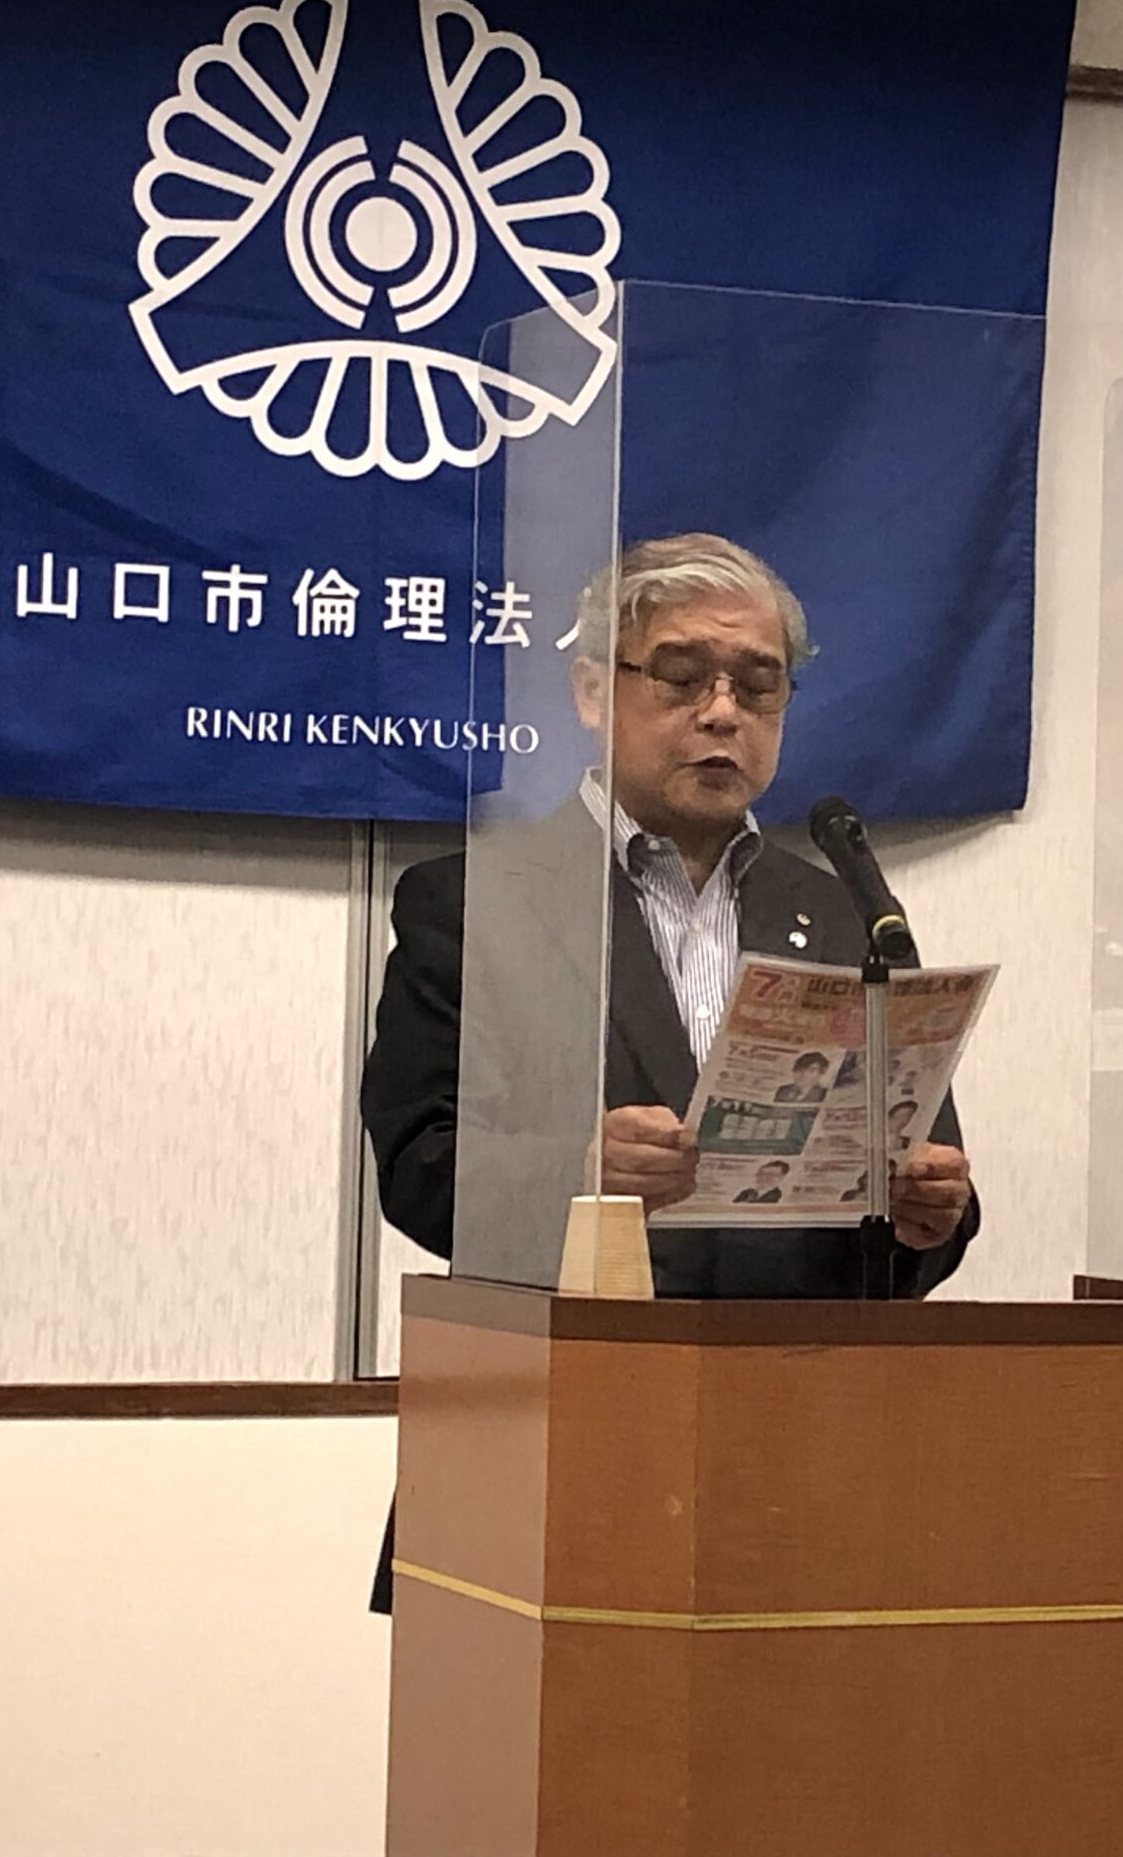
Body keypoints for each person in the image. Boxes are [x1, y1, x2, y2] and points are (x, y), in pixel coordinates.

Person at [358, 533, 981, 1610]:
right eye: (683, 676)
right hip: (560, 1424)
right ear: (592, 692)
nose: (722, 712)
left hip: (800, 1448)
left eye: (758, 684)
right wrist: (580, 1170)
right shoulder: (473, 902)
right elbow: (418, 1166)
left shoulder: (842, 911)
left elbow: (915, 1184)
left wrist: (931, 1215)